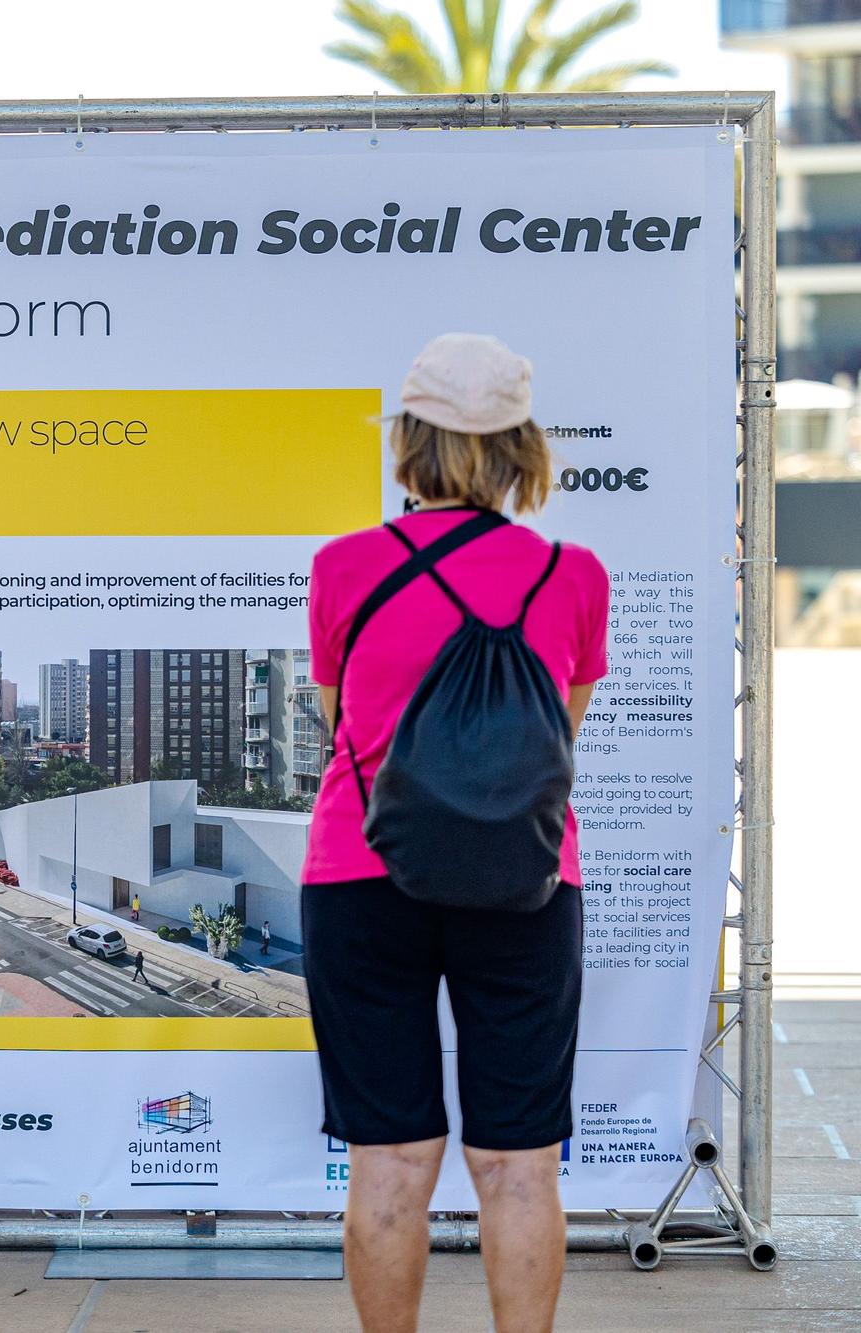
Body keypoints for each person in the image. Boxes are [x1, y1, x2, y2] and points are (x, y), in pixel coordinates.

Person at [301, 334, 607, 1333]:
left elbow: (338, 713)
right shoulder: (570, 574)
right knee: (517, 1163)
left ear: (408, 439)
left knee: (389, 1158)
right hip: (521, 883)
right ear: (520, 445)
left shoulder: (344, 566)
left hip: (359, 873)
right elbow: (555, 733)